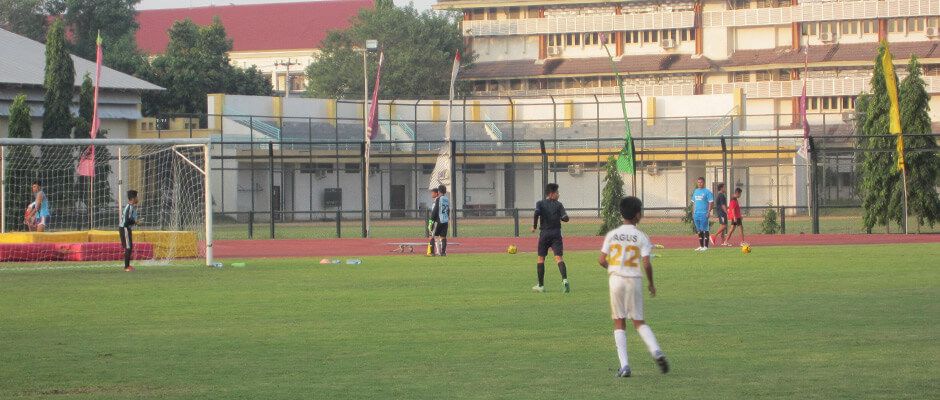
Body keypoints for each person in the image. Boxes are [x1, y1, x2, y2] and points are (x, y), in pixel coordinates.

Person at [599, 196, 669, 378]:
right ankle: (656, 351)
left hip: (616, 280)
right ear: (637, 215)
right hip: (634, 280)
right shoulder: (641, 236)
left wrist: (614, 269)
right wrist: (651, 284)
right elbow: (646, 263)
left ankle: (625, 366)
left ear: (622, 213)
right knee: (638, 322)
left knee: (619, 321)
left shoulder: (612, 234)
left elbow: (601, 260)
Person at [532, 183, 570, 293]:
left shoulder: (540, 203)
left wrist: (534, 226)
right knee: (559, 258)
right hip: (556, 234)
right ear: (551, 194)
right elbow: (565, 218)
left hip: (544, 234)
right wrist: (564, 218)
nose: (559, 194)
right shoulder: (559, 205)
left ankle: (541, 285)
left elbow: (536, 213)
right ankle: (565, 280)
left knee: (541, 258)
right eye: (557, 192)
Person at [690, 177, 714, 251]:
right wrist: (693, 212)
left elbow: (711, 202)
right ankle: (701, 246)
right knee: (699, 230)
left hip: (704, 213)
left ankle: (706, 246)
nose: (700, 184)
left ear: (704, 183)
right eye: (698, 182)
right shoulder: (696, 191)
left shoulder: (707, 192)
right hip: (696, 214)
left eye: (701, 182)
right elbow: (693, 203)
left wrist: (708, 212)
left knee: (705, 229)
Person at [119, 190, 139, 272]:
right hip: (125, 228)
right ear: (133, 198)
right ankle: (126, 267)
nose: (138, 199)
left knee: (129, 247)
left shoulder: (130, 207)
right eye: (137, 197)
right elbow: (127, 220)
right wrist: (135, 222)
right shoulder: (130, 207)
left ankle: (127, 266)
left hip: (126, 228)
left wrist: (135, 222)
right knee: (128, 247)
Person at [429, 185, 450, 256]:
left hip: (438, 220)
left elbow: (435, 210)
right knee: (443, 237)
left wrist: (431, 221)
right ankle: (443, 253)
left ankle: (432, 253)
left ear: (439, 191)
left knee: (432, 236)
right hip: (445, 221)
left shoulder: (438, 199)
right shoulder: (447, 199)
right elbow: (448, 210)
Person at [426, 188, 440, 256]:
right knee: (437, 237)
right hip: (439, 220)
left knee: (432, 236)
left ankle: (431, 252)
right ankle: (439, 252)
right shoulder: (438, 201)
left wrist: (431, 222)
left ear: (436, 193)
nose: (431, 194)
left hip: (435, 220)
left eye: (433, 193)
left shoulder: (437, 201)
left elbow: (434, 213)